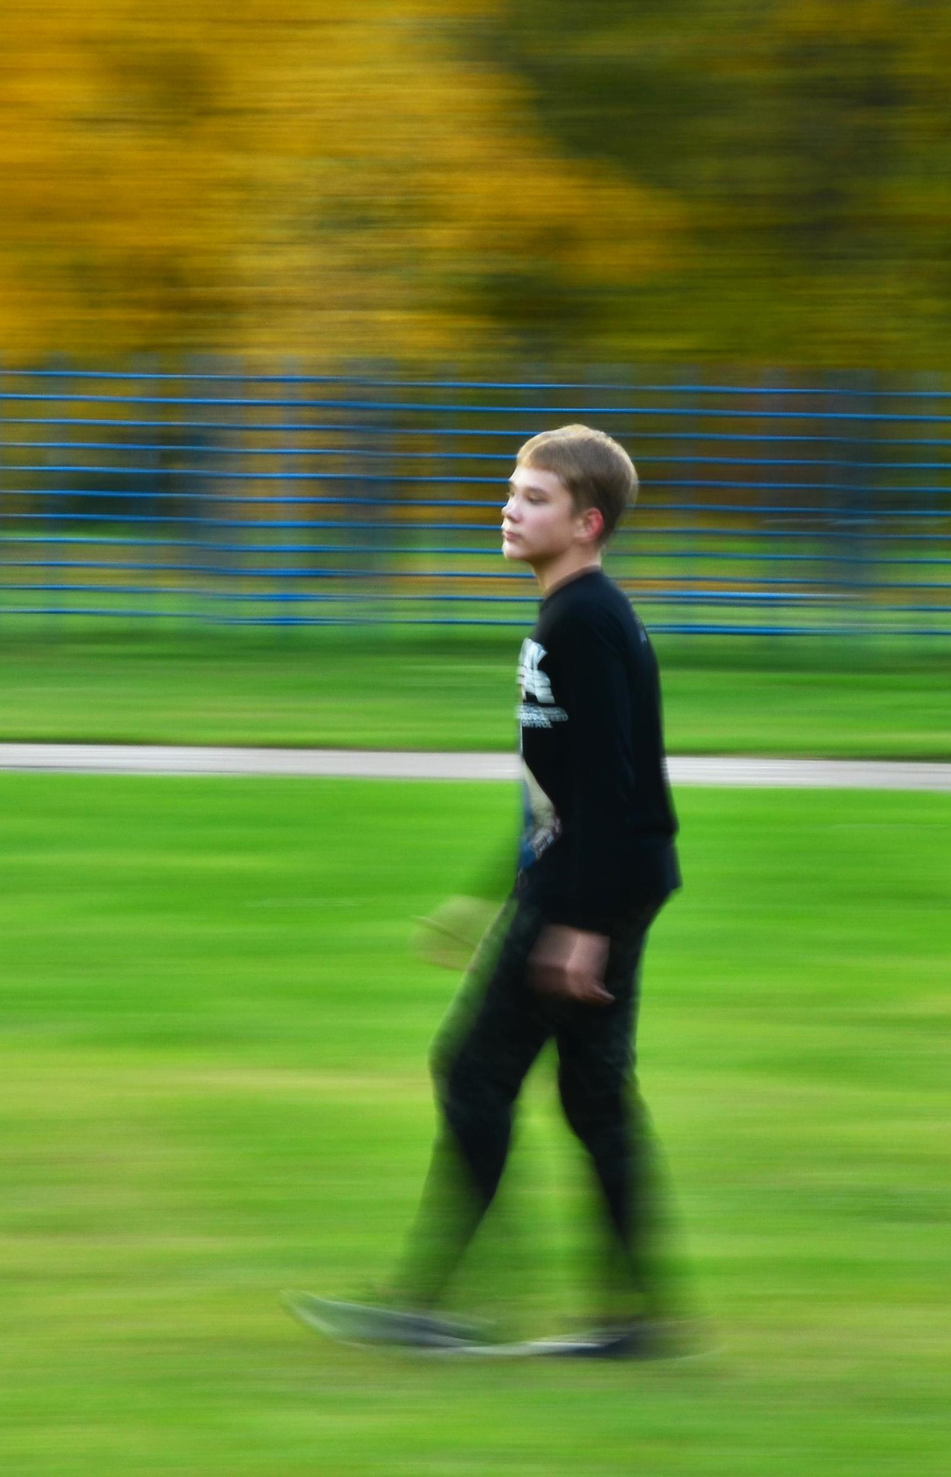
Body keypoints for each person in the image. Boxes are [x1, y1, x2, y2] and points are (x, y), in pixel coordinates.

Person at [290, 425, 684, 1359]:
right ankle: (636, 1323)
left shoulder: (584, 621)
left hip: (594, 892)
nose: (509, 507)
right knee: (593, 1099)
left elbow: (613, 788)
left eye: (534, 497)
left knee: (472, 1074)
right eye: (511, 490)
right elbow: (560, 795)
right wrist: (485, 896)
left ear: (587, 523)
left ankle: (428, 1306)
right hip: (595, 881)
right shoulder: (574, 615)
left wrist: (579, 925)